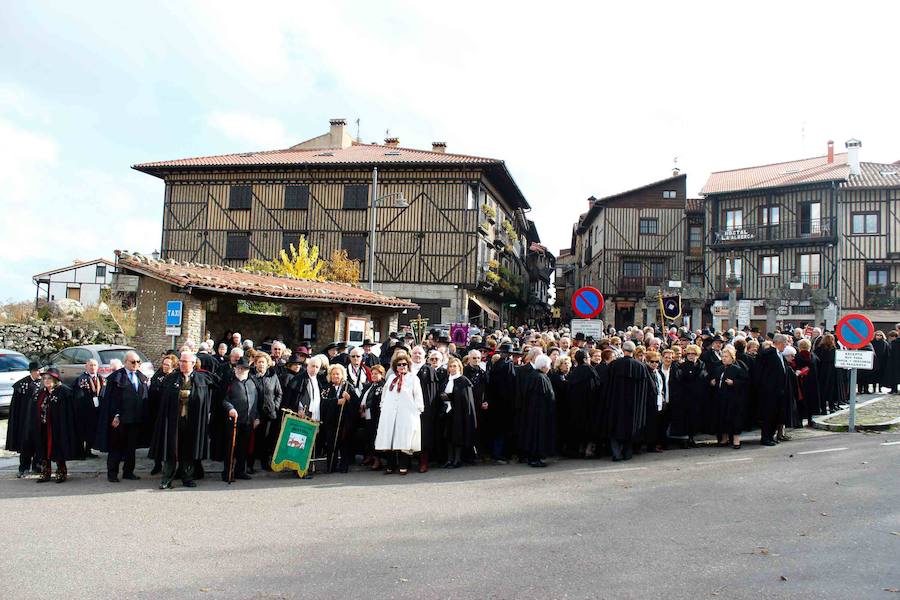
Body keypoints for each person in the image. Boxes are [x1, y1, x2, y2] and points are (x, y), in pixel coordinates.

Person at [151, 351, 214, 489]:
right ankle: (166, 479)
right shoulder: (171, 379)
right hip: (173, 421)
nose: (182, 364)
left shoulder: (201, 379)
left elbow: (206, 398)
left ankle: (188, 477)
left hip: (192, 421)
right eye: (181, 361)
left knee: (189, 449)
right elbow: (164, 399)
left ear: (193, 363)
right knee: (171, 449)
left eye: (185, 362)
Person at [96, 351, 149, 483]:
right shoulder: (116, 377)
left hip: (135, 418)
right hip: (120, 419)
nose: (136, 364)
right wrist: (115, 415)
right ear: (125, 362)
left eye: (138, 362)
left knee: (131, 447)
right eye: (133, 362)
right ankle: (112, 473)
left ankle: (128, 472)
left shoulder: (141, 377)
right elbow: (111, 399)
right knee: (116, 447)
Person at [24, 368, 79, 483]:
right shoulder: (42, 393)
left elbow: (67, 412)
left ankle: (61, 472)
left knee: (58, 448)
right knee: (43, 448)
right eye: (44, 378)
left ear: (55, 379)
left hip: (58, 427)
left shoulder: (63, 392)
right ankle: (46, 472)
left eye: (49, 378)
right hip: (43, 426)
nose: (47, 380)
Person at [375, 352, 425, 475]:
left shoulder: (413, 378)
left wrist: (419, 408)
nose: (402, 367)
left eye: (404, 364)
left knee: (404, 438)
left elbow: (418, 394)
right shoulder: (391, 378)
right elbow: (385, 394)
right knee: (390, 438)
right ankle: (390, 466)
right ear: (395, 367)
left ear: (408, 365)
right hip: (390, 412)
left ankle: (403, 465)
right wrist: (383, 406)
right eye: (399, 365)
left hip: (407, 412)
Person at [606, 341, 651, 461]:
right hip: (634, 405)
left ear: (622, 349)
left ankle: (616, 454)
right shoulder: (641, 366)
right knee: (630, 428)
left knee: (616, 427)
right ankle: (627, 453)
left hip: (616, 403)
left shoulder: (614, 365)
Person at [222, 357, 259, 481]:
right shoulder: (230, 382)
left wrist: (257, 417)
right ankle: (227, 472)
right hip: (234, 421)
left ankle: (240, 471)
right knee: (230, 448)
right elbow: (224, 400)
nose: (241, 370)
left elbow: (256, 402)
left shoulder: (252, 382)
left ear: (248, 370)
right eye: (239, 368)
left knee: (243, 448)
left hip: (248, 420)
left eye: (244, 368)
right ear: (235, 369)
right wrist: (230, 408)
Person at [516, 354, 555, 467]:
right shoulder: (540, 378)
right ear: (544, 366)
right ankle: (535, 458)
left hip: (533, 413)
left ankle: (533, 457)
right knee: (537, 436)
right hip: (539, 414)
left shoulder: (534, 376)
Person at [753, 335, 792, 446]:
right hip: (769, 392)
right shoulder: (768, 354)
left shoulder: (780, 355)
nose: (786, 346)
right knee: (768, 415)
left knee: (776, 415)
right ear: (780, 343)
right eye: (785, 343)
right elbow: (760, 373)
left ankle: (771, 436)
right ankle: (765, 437)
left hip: (779, 391)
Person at [320, 364, 360, 473]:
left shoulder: (348, 386)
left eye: (338, 374)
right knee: (331, 444)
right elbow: (322, 403)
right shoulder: (326, 388)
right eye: (333, 374)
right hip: (331, 421)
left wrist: (349, 398)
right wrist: (336, 402)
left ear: (342, 375)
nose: (335, 376)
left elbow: (357, 403)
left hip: (345, 421)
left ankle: (344, 466)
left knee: (344, 444)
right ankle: (331, 466)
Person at [6, 361, 42, 477]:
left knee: (39, 443)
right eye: (37, 370)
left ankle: (37, 465)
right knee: (25, 444)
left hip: (39, 419)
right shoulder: (22, 385)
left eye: (40, 370)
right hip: (25, 420)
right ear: (32, 371)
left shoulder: (43, 383)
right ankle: (23, 468)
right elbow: (16, 406)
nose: (39, 373)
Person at [440, 357, 477, 468]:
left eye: (455, 366)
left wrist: (450, 398)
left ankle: (457, 459)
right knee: (448, 436)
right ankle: (450, 459)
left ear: (459, 367)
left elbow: (466, 400)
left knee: (458, 436)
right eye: (450, 366)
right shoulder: (446, 380)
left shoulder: (464, 380)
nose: (452, 368)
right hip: (447, 412)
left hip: (460, 414)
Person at [711, 346, 749, 449]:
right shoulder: (719, 369)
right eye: (722, 356)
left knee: (734, 419)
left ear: (732, 358)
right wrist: (713, 382)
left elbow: (745, 382)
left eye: (726, 356)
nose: (724, 358)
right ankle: (724, 439)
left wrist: (734, 383)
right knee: (722, 418)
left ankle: (736, 441)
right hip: (721, 398)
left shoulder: (737, 369)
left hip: (734, 399)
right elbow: (715, 380)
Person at [485, 343, 517, 464]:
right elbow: (510, 384)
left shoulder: (496, 365)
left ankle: (497, 453)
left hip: (495, 402)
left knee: (497, 430)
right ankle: (499, 454)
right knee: (502, 430)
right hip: (504, 403)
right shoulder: (508, 365)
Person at [251, 352, 282, 473]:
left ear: (267, 364)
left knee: (267, 440)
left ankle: (265, 463)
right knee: (254, 440)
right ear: (255, 363)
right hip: (255, 414)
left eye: (263, 362)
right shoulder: (251, 376)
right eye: (259, 362)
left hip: (269, 414)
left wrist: (275, 407)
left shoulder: (273, 376)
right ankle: (250, 464)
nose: (261, 364)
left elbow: (279, 393)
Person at [411, 345, 439, 473]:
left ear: (424, 356)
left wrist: (429, 410)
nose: (417, 355)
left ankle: (423, 462)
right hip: (408, 409)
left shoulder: (429, 370)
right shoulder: (406, 368)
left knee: (424, 436)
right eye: (415, 353)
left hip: (424, 410)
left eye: (419, 354)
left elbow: (432, 393)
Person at [147, 354, 176, 475]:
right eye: (164, 364)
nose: (164, 367)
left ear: (173, 366)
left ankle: (169, 466)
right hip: (157, 411)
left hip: (170, 413)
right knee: (157, 439)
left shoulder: (175, 377)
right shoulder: (157, 376)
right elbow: (152, 391)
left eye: (167, 365)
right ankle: (157, 464)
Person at [671, 344, 705, 448]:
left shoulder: (702, 364)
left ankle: (692, 438)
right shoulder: (683, 365)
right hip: (686, 396)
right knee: (686, 418)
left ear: (697, 355)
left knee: (695, 417)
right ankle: (687, 439)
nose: (690, 356)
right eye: (689, 353)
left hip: (698, 396)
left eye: (693, 354)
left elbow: (703, 376)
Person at [73, 358, 104, 459]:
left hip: (96, 409)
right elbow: (78, 396)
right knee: (83, 431)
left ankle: (89, 450)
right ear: (86, 366)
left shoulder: (101, 378)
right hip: (85, 410)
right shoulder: (82, 379)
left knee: (92, 431)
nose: (93, 367)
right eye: (90, 365)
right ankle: (81, 452)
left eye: (95, 365)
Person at [359, 364, 386, 470]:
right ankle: (369, 455)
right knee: (368, 436)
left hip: (376, 415)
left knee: (375, 436)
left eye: (376, 374)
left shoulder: (383, 386)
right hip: (366, 415)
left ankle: (377, 459)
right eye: (372, 374)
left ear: (382, 375)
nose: (374, 376)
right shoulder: (368, 385)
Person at [793, 339, 821, 427]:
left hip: (800, 382)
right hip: (812, 382)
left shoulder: (797, 357)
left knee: (800, 402)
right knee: (810, 400)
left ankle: (799, 421)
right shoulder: (813, 356)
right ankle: (810, 419)